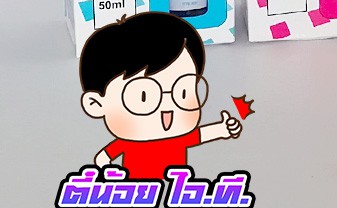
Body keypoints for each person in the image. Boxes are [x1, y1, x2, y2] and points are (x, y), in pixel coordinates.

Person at [79, 12, 242, 180]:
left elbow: (201, 134)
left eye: (183, 93)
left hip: (177, 188)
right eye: (143, 97)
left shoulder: (178, 137)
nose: (167, 109)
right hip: (138, 189)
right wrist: (111, 176)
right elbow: (102, 158)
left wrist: (222, 129)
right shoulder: (127, 143)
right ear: (96, 104)